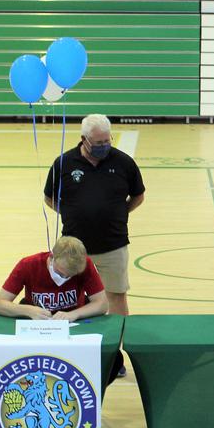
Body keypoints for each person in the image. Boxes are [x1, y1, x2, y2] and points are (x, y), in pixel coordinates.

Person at [44, 114, 145, 316]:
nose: (104, 146)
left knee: (116, 295)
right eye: (99, 142)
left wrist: (120, 212)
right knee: (72, 296)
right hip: (73, 247)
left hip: (113, 244)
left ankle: (117, 343)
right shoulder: (64, 163)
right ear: (84, 139)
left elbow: (138, 195)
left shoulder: (124, 162)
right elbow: (49, 197)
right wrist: (71, 212)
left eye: (107, 141)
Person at [0, 236, 107, 321]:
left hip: (73, 322)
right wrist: (27, 310)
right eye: (61, 273)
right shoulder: (28, 265)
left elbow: (102, 304)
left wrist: (74, 314)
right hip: (36, 322)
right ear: (52, 257)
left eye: (70, 275)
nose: (65, 278)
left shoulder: (85, 264)